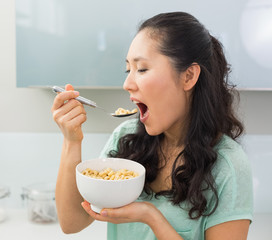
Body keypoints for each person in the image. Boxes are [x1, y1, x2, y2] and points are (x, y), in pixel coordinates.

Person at [51, 11, 253, 240]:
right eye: (129, 70)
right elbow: (72, 222)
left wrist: (151, 216)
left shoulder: (228, 167)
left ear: (188, 76)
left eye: (142, 69)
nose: (127, 84)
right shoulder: (126, 139)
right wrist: (71, 140)